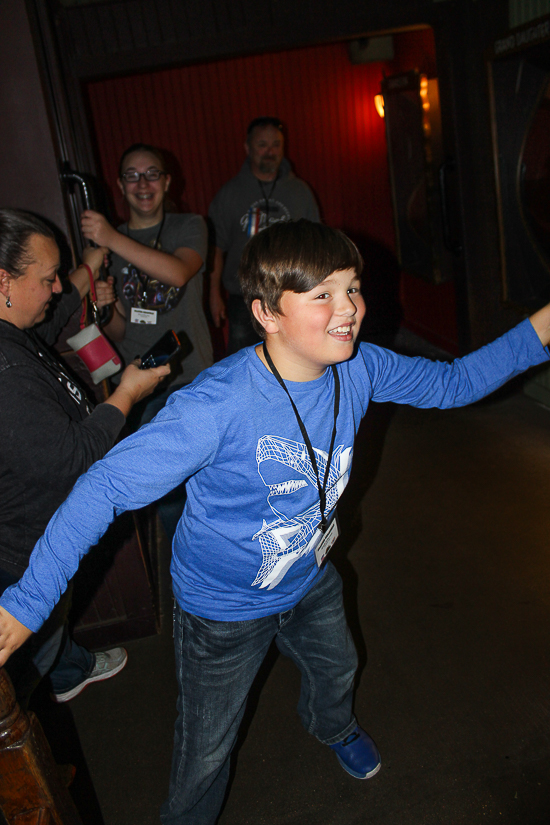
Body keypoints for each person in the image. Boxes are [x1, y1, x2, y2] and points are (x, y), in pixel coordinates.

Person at [1, 219, 549, 824]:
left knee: (338, 666)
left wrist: (544, 324)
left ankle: (332, 726)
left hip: (308, 571)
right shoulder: (215, 407)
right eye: (323, 295)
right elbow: (102, 487)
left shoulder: (360, 367)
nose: (350, 310)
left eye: (352, 288)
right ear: (267, 313)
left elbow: (456, 382)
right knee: (207, 748)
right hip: (222, 608)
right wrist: (28, 603)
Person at [0, 208, 169, 706]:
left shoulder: (11, 328)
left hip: (33, 542)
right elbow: (73, 458)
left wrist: (90, 264)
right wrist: (128, 394)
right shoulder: (5, 371)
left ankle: (64, 668)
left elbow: (56, 316)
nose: (56, 290)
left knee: (48, 645)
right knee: (21, 683)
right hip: (20, 557)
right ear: (3, 280)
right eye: (47, 278)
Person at [82, 142, 213, 538]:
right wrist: (111, 310)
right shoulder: (111, 245)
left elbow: (177, 273)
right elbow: (120, 333)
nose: (143, 183)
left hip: (192, 376)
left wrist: (107, 237)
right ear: (121, 185)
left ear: (167, 180)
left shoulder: (189, 225)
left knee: (209, 482)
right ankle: (187, 580)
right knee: (170, 494)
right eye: (132, 175)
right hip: (141, 383)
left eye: (152, 173)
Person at [208, 116, 320, 353]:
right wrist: (214, 293)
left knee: (296, 354)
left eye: (276, 145)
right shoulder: (229, 193)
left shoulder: (300, 191)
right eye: (262, 145)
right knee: (244, 360)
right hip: (244, 298)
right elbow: (215, 247)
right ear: (248, 148)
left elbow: (316, 244)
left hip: (293, 293)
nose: (270, 151)